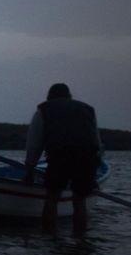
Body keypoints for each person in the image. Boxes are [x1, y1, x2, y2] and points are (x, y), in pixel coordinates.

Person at [22, 83, 103, 235]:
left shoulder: (43, 110)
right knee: (79, 200)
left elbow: (34, 144)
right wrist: (94, 173)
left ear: (49, 96)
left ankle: (50, 239)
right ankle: (80, 241)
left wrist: (29, 170)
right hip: (87, 158)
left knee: (52, 198)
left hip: (60, 157)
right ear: (69, 96)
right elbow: (97, 142)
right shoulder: (88, 110)